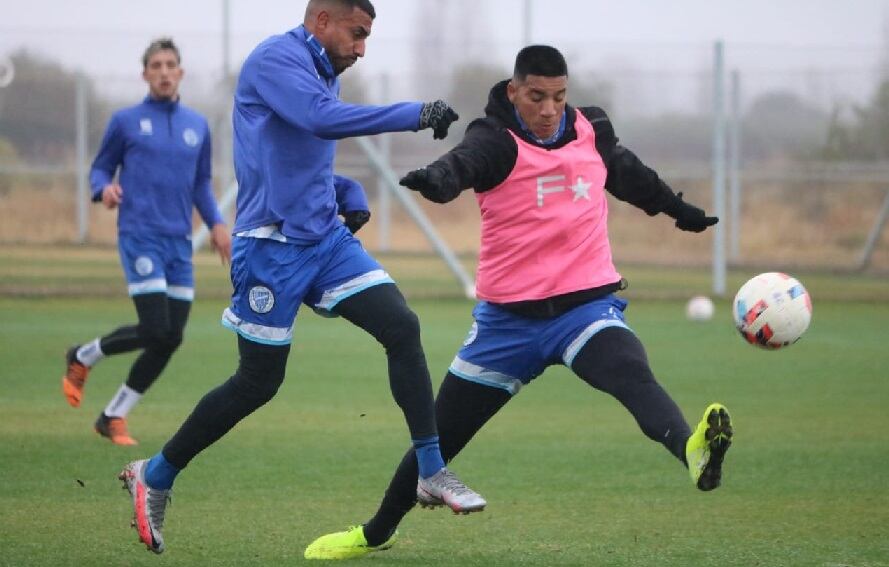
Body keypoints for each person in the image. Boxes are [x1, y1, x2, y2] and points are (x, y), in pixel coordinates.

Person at [304, 44, 734, 560]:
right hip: (507, 326)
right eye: (537, 96)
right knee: (438, 441)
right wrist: (437, 181)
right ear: (514, 91)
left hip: (584, 309)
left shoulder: (590, 130)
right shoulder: (496, 140)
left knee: (631, 374)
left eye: (558, 97)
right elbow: (463, 165)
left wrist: (677, 209)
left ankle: (691, 449)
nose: (550, 109)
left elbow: (628, 174)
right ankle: (375, 533)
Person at [117, 0, 485, 555]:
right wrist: (415, 111)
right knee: (258, 382)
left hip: (325, 241)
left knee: (401, 327)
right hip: (269, 248)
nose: (362, 49)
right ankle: (158, 473)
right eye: (356, 34)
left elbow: (296, 156)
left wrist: (345, 193)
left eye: (367, 39)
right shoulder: (275, 60)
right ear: (322, 21)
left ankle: (431, 470)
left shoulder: (321, 69)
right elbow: (319, 120)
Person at [62, 37, 231, 446]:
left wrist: (217, 224)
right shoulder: (125, 121)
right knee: (157, 327)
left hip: (179, 243)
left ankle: (113, 414)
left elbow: (200, 184)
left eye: (170, 64)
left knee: (171, 337)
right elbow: (100, 169)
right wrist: (104, 190)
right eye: (155, 65)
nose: (163, 71)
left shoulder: (196, 126)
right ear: (145, 74)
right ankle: (82, 356)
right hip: (139, 236)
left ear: (180, 72)